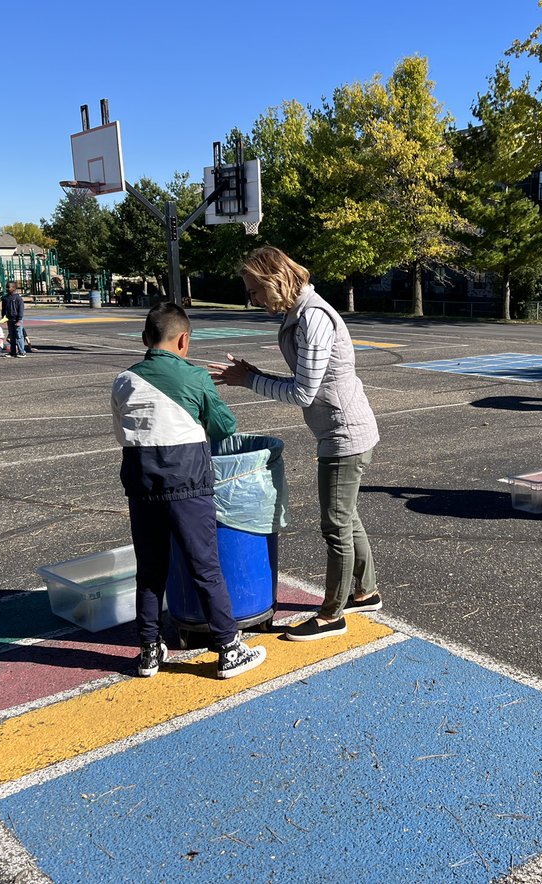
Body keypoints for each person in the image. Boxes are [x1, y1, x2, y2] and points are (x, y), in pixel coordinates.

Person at [209, 246, 381, 642]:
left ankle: (331, 614)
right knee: (347, 515)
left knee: (335, 523)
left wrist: (248, 380)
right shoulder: (297, 313)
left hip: (344, 434)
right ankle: (366, 591)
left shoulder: (313, 318)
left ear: (274, 280)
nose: (252, 299)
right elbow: (306, 380)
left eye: (254, 290)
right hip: (338, 430)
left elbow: (304, 392)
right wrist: (254, 373)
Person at [112, 302, 267, 679]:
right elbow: (225, 426)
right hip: (188, 485)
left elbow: (124, 431)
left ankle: (149, 649)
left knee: (150, 570)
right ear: (184, 340)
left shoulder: (123, 380)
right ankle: (228, 647)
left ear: (144, 339)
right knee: (205, 567)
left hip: (142, 484)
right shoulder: (195, 378)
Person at [1, 281, 26, 357]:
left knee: (19, 336)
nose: (8, 289)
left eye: (9, 287)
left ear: (14, 288)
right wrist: (3, 316)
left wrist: (19, 320)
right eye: (7, 287)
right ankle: (13, 352)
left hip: (17, 319)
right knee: (12, 336)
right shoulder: (5, 298)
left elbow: (21, 310)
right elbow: (3, 308)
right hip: (10, 319)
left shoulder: (18, 298)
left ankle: (22, 351)